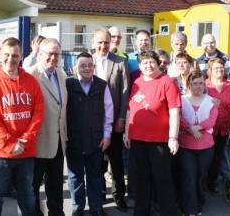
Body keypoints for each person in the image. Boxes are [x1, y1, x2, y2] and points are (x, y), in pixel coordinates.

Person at [0, 37, 44, 216]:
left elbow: (38, 112)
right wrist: (11, 143)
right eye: (7, 55)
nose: (11, 59)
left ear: (21, 55)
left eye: (15, 55)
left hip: (26, 151)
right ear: (0, 55)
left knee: (27, 198)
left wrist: (24, 140)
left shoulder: (31, 81)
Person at [124, 50, 180, 216]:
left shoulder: (167, 82)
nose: (148, 65)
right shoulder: (137, 83)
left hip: (159, 140)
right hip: (137, 139)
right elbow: (129, 110)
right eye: (144, 62)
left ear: (158, 63)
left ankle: (168, 212)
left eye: (151, 62)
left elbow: (175, 111)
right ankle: (142, 212)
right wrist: (127, 133)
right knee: (141, 178)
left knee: (162, 179)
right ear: (140, 65)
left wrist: (173, 137)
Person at [66, 52, 113, 216]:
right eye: (82, 65)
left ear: (94, 67)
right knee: (75, 176)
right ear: (75, 68)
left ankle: (96, 207)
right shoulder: (68, 85)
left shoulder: (102, 85)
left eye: (89, 65)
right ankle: (77, 207)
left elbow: (109, 112)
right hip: (74, 139)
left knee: (95, 175)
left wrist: (107, 135)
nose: (86, 68)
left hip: (96, 139)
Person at [26, 38, 68, 216]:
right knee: (33, 185)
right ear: (40, 54)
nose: (53, 58)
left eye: (57, 54)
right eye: (49, 54)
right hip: (38, 140)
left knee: (56, 184)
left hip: (59, 140)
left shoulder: (61, 74)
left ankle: (56, 213)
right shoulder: (30, 75)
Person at [92, 28, 130, 211]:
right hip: (92, 123)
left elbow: (125, 92)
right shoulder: (86, 62)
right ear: (93, 43)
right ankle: (98, 196)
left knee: (116, 162)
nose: (103, 46)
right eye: (99, 42)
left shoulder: (120, 62)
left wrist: (122, 117)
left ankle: (119, 196)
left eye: (106, 42)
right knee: (98, 162)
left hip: (115, 120)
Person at [179, 71, 218, 216]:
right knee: (189, 177)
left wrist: (197, 127)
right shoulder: (181, 100)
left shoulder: (212, 101)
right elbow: (179, 117)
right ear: (189, 85)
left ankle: (199, 202)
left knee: (200, 177)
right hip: (186, 146)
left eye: (201, 83)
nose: (198, 86)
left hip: (206, 147)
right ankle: (191, 209)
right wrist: (189, 128)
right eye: (195, 83)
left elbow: (212, 120)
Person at [206, 57, 230, 194]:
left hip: (223, 129)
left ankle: (211, 184)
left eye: (221, 68)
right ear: (210, 70)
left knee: (217, 157)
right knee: (206, 158)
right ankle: (202, 183)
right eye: (216, 68)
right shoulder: (205, 86)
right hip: (206, 129)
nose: (219, 70)